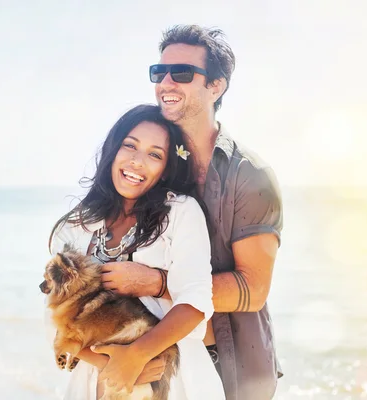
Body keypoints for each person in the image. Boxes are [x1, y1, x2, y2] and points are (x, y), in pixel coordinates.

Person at [98, 25, 284, 399]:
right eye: (159, 73)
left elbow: (254, 289)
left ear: (216, 86)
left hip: (230, 364)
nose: (166, 82)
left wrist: (157, 282)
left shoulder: (251, 176)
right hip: (157, 355)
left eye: (181, 73)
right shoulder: (157, 164)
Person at [48, 104, 225, 399]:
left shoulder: (180, 213)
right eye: (130, 146)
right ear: (113, 150)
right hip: (92, 381)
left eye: (155, 154)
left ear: (167, 167)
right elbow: (56, 317)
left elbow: (195, 302)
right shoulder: (75, 227)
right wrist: (112, 363)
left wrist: (138, 356)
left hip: (170, 375)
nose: (137, 161)